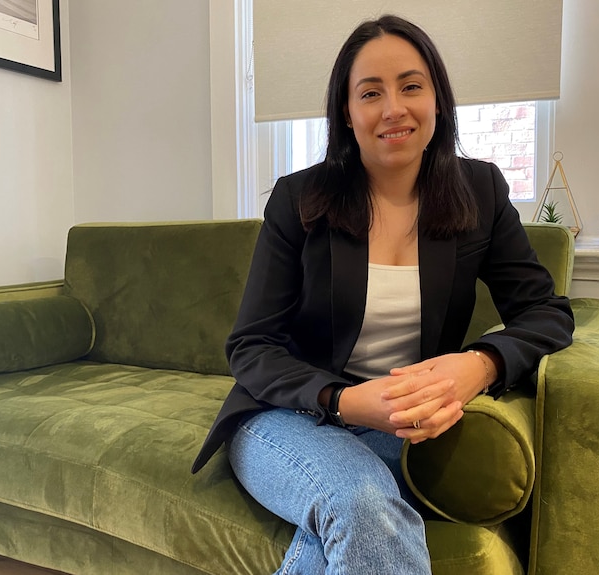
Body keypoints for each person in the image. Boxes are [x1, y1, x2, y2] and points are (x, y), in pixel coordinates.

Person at [191, 14, 574, 575]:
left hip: (404, 429)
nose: (394, 107)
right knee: (361, 500)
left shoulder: (480, 192)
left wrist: (480, 365)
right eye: (370, 92)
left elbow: (546, 312)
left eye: (411, 86)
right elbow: (251, 347)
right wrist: (344, 401)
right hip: (285, 416)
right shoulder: (300, 199)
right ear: (347, 113)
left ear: (437, 100)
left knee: (355, 513)